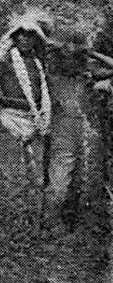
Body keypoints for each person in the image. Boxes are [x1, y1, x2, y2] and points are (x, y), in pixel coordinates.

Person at [0, 8, 53, 204]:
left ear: (36, 39)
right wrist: (16, 102)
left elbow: (43, 92)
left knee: (38, 176)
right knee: (13, 176)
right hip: (10, 121)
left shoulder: (37, 62)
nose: (25, 39)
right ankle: (12, 213)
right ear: (14, 37)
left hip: (36, 120)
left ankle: (33, 215)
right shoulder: (4, 60)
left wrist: (40, 109)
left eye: (30, 35)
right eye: (20, 35)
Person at [45, 19, 93, 235]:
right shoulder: (51, 78)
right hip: (62, 135)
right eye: (65, 55)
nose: (69, 59)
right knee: (59, 181)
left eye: (74, 56)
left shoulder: (84, 77)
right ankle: (51, 224)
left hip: (82, 135)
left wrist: (90, 52)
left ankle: (71, 225)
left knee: (79, 181)